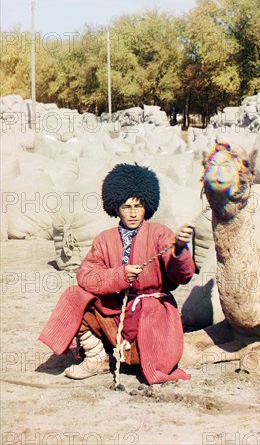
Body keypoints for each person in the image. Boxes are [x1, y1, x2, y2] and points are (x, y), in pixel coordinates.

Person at [39, 163, 195, 384]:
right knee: (75, 296)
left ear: (147, 206)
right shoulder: (104, 239)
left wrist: (179, 250)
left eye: (138, 206)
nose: (132, 213)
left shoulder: (160, 233)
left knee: (149, 363)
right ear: (115, 208)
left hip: (152, 313)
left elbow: (183, 275)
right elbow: (86, 276)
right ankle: (96, 359)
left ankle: (134, 353)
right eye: (126, 206)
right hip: (115, 310)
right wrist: (119, 276)